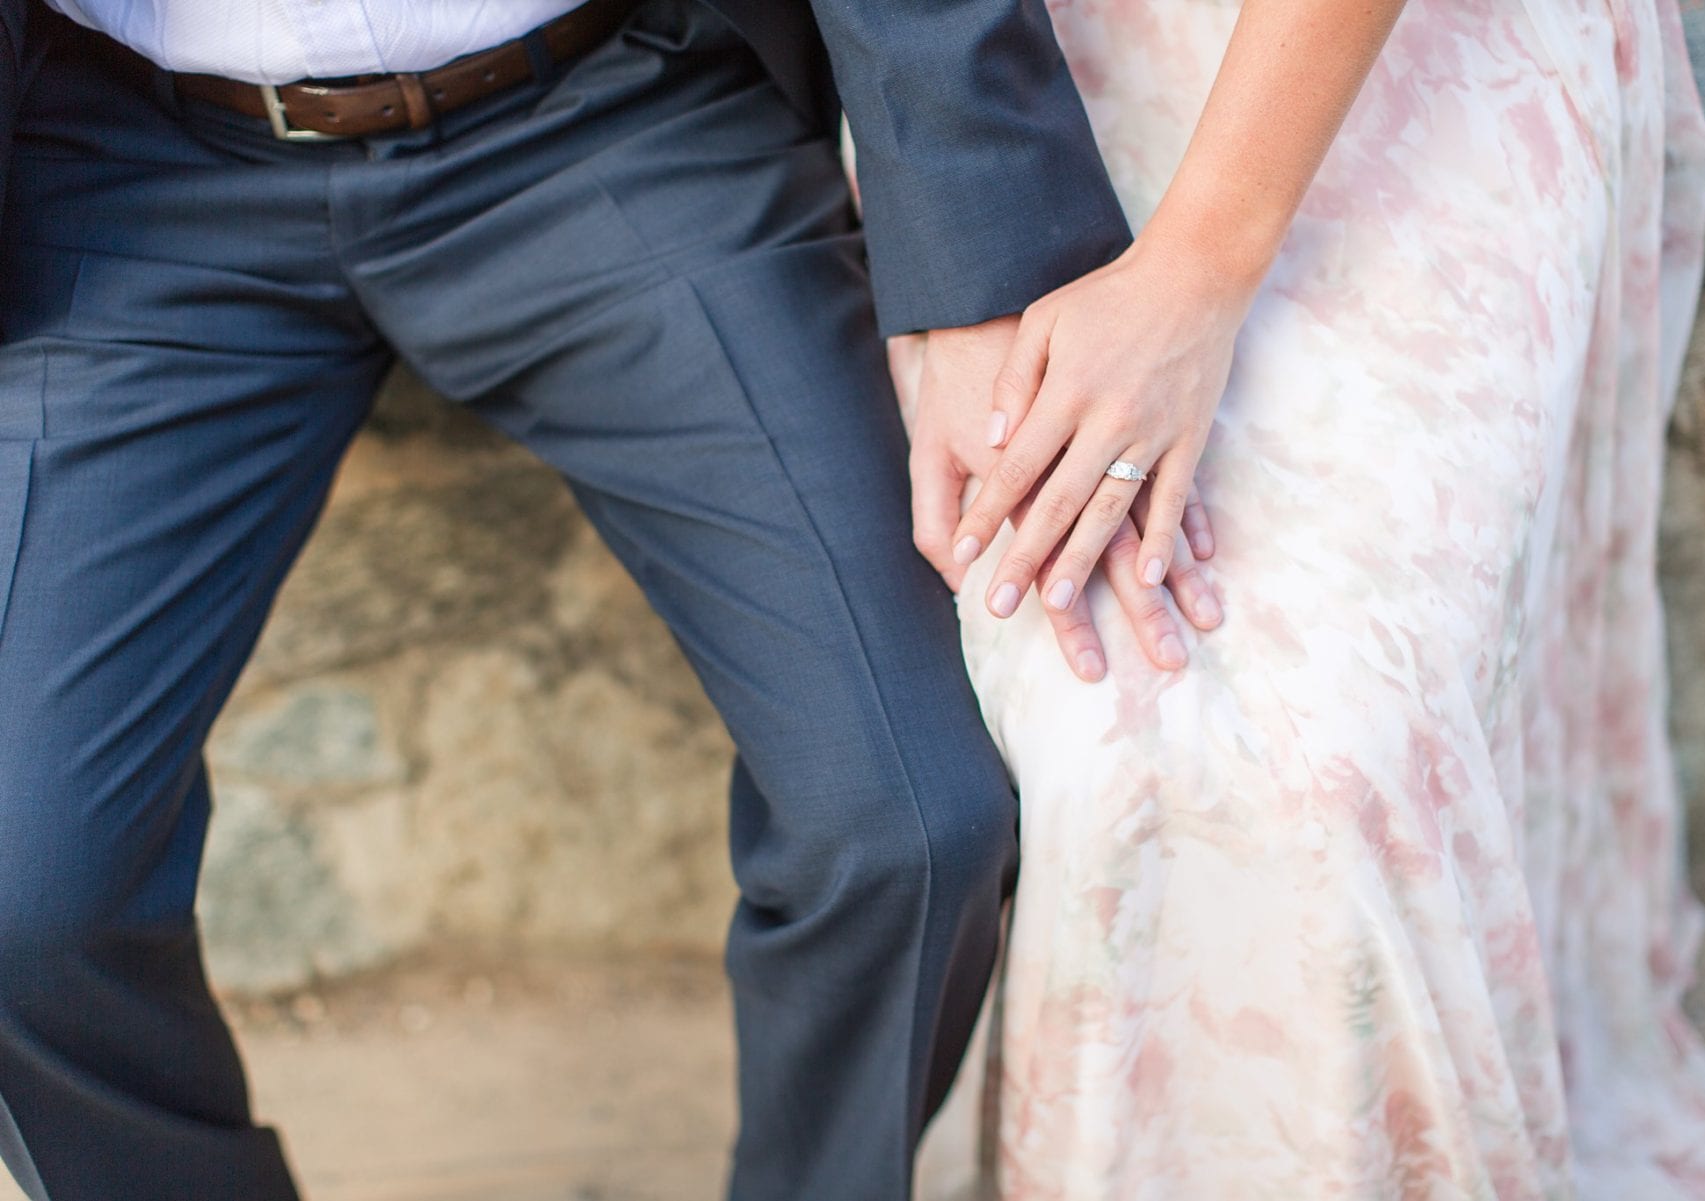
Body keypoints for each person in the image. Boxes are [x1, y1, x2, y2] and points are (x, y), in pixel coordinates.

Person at [0, 2, 1212, 1199]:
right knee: (16, 889)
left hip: (607, 117)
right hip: (123, 174)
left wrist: (975, 267)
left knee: (908, 819)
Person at [899, 0, 1705, 1196]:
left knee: (1328, 758)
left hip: (1405, 51)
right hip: (1005, 65)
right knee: (1108, 745)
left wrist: (1197, 270)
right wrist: (958, 254)